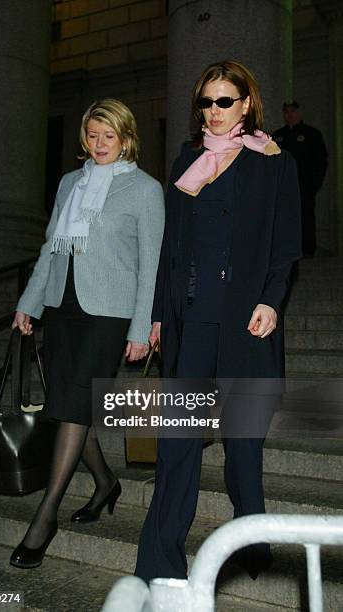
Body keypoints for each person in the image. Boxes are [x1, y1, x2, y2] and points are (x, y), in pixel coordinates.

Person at [134, 61, 302, 583]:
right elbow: (169, 248)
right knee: (177, 444)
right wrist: (161, 313)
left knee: (244, 443)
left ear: (247, 103)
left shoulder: (274, 163)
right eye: (206, 102)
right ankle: (159, 560)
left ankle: (251, 546)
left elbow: (285, 243)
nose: (213, 111)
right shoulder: (188, 161)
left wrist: (272, 300)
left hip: (247, 320)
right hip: (194, 319)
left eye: (224, 101)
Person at [9, 99, 165, 569]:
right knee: (67, 406)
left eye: (108, 137)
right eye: (92, 136)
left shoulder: (145, 190)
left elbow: (150, 267)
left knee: (75, 402)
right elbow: (51, 248)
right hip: (65, 305)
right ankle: (105, 482)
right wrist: (29, 302)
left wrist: (141, 327)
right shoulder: (68, 185)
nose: (99, 145)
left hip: (109, 313)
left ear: (127, 138)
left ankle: (45, 515)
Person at [272, 101, 328, 257]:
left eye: (293, 111)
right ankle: (286, 252)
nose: (289, 115)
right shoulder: (277, 136)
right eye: (286, 112)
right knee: (283, 219)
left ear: (299, 113)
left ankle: (307, 252)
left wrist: (314, 185)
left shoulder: (312, 134)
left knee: (305, 218)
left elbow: (321, 161)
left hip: (304, 186)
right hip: (282, 187)